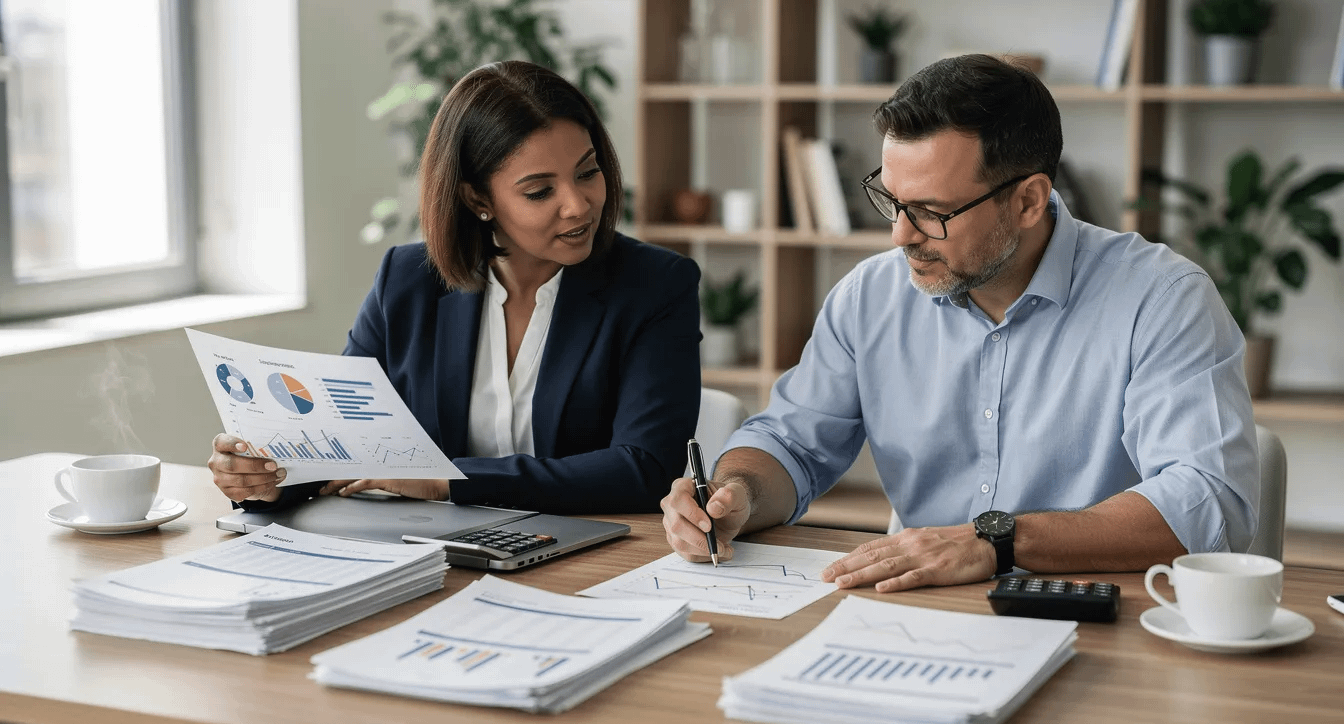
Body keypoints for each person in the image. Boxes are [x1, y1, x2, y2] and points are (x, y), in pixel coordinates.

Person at [661, 54, 1258, 591]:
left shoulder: (1163, 298)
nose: (900, 235)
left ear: (1027, 201)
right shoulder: (868, 296)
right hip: (915, 608)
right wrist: (738, 493)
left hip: (1098, 617)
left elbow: (1208, 502)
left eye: (932, 212)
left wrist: (997, 541)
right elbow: (788, 442)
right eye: (892, 201)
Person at [208, 60, 701, 514]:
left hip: (593, 555)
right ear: (476, 197)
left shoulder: (655, 285)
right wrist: (270, 478)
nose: (578, 204)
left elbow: (644, 469)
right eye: (540, 191)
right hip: (433, 553)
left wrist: (449, 480)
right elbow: (344, 440)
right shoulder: (406, 280)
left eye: (588, 172)